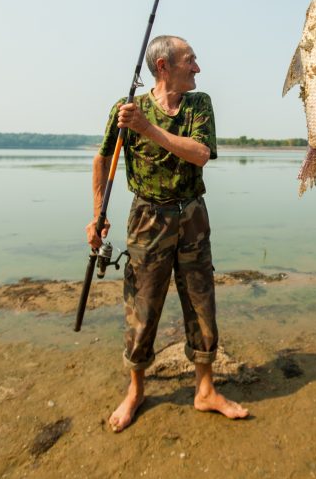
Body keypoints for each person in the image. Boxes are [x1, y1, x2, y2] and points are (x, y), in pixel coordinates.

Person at [86, 35, 249, 432]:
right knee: (141, 307)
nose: (197, 67)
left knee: (201, 301)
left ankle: (205, 390)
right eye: (190, 60)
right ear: (163, 67)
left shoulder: (198, 104)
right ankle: (136, 390)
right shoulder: (128, 109)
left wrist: (148, 129)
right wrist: (98, 214)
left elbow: (200, 153)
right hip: (147, 216)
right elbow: (103, 157)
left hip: (192, 214)